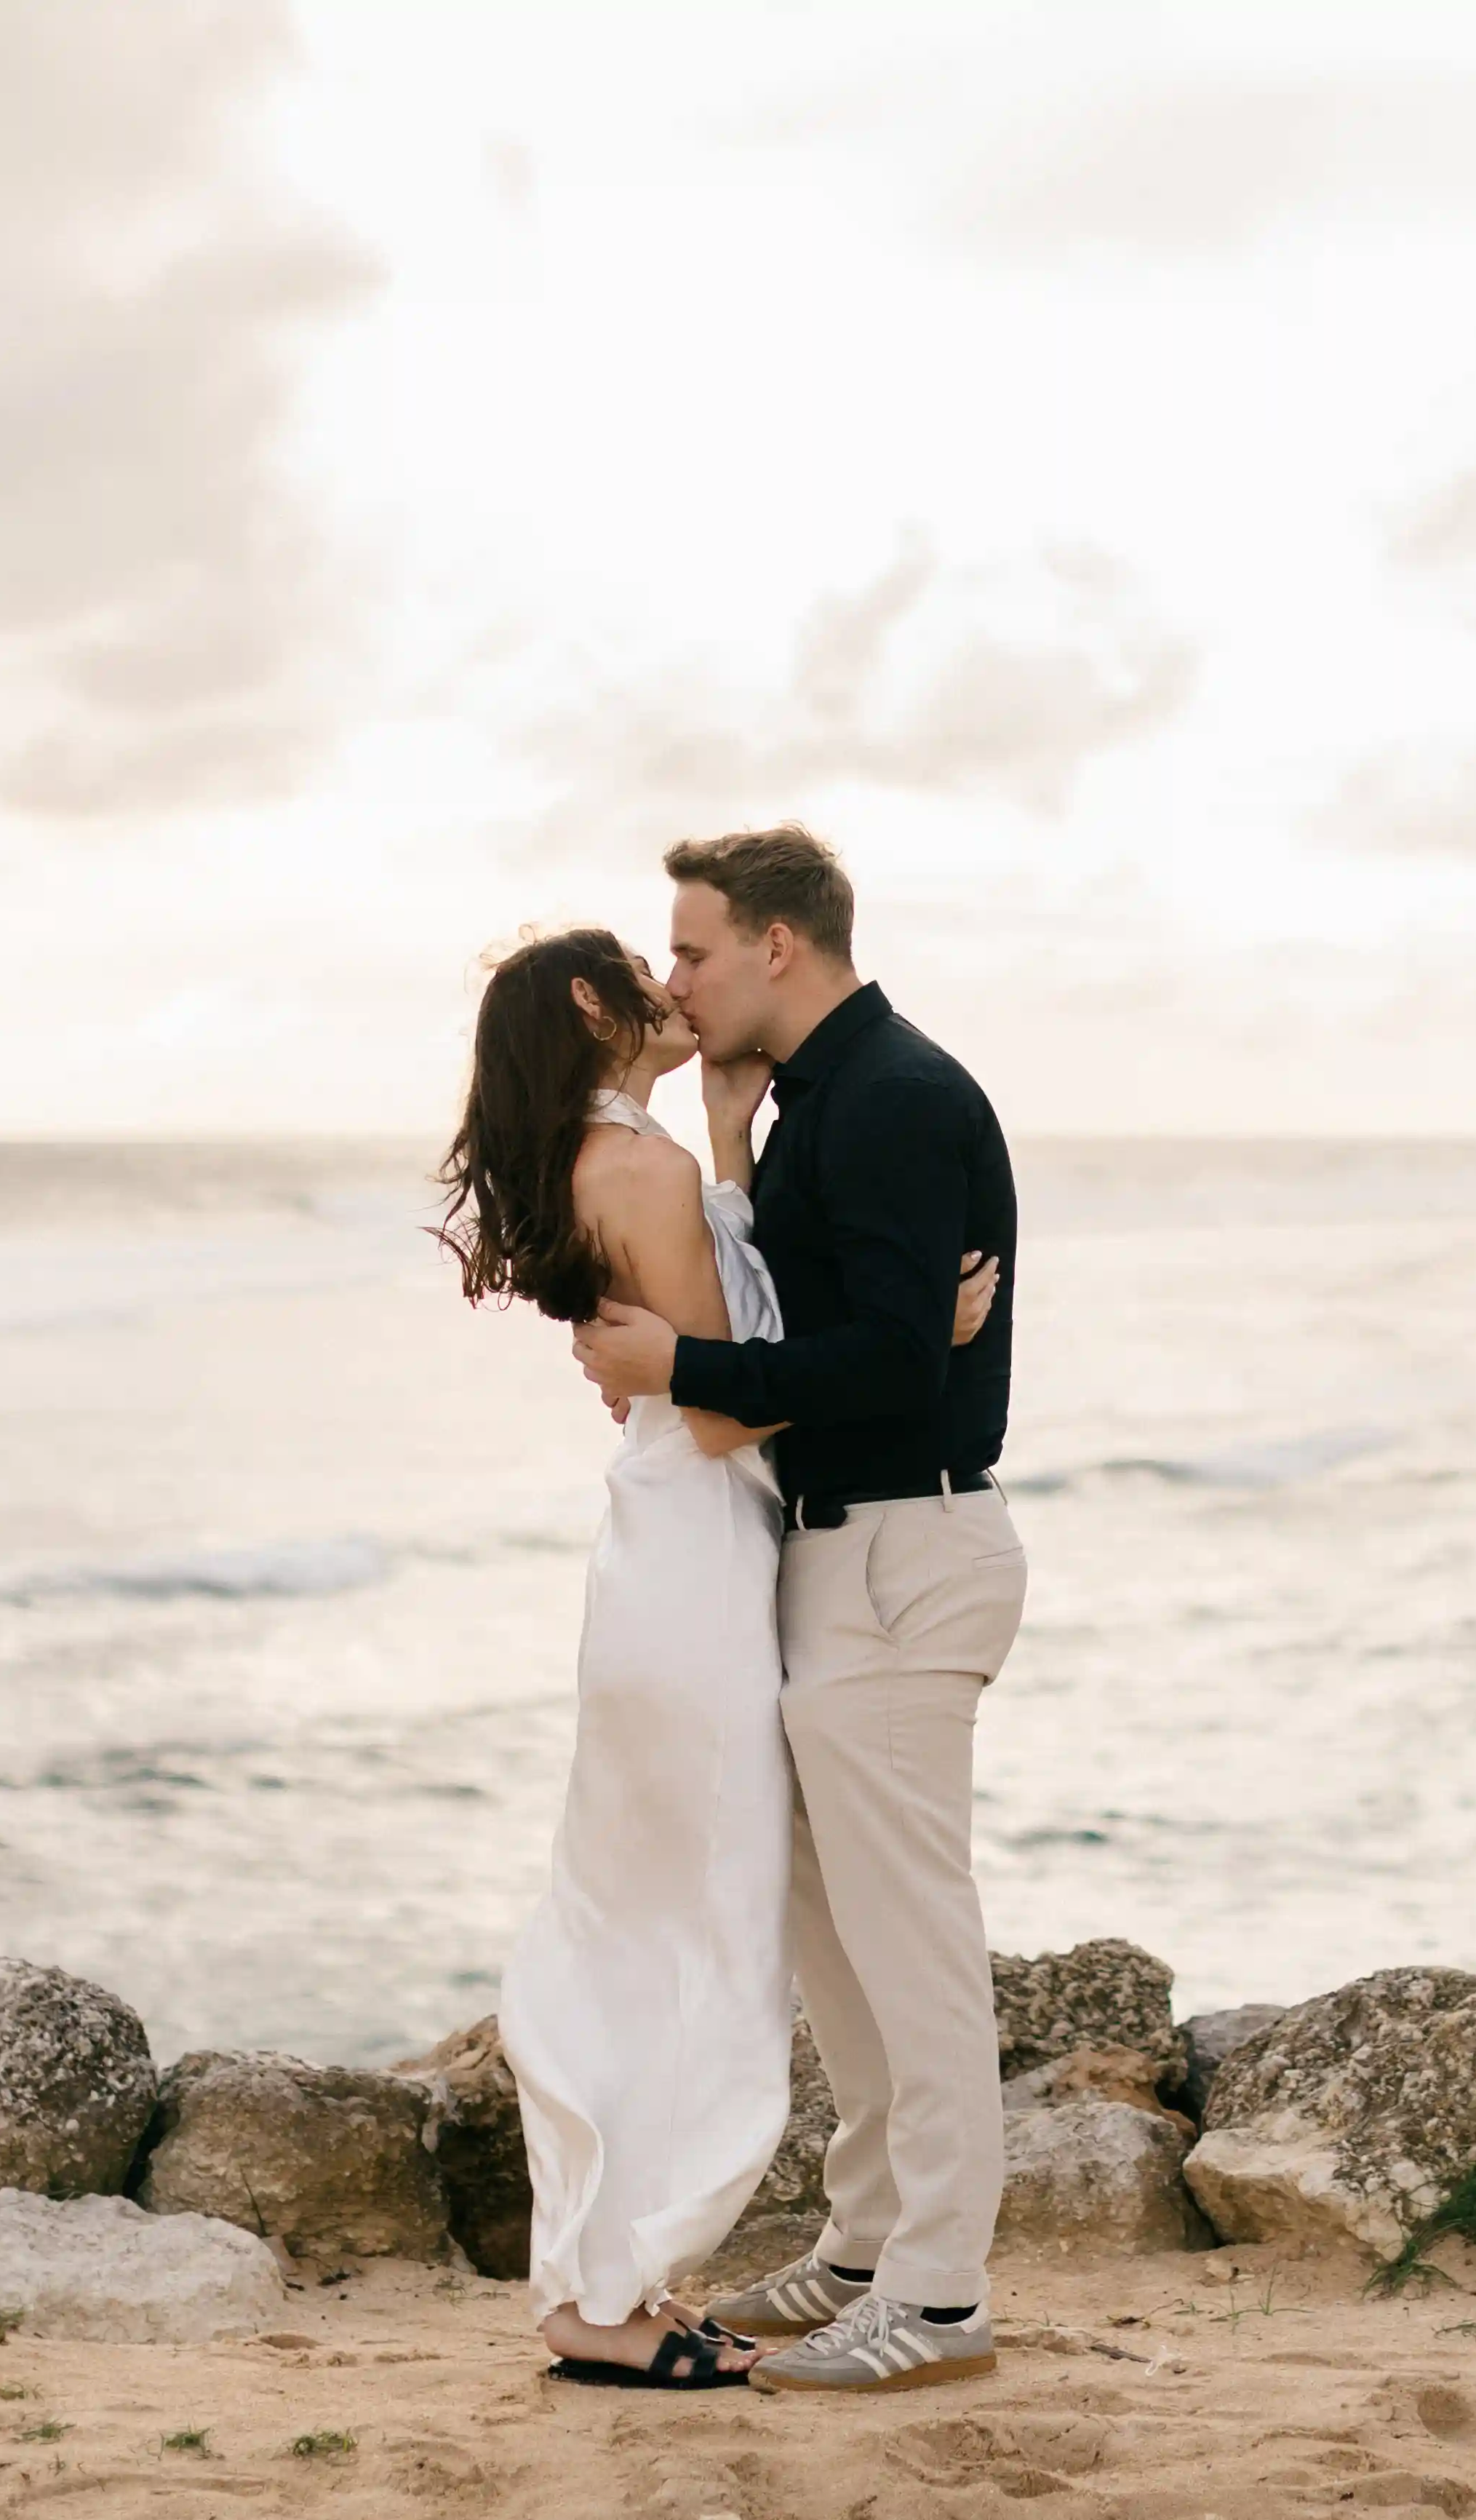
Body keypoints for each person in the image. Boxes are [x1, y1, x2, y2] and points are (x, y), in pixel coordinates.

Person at [434, 922, 995, 2390]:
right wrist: (911, 1341)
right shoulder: (639, 1165)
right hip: (697, 1563)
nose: (673, 983)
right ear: (589, 1000)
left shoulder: (626, 1154)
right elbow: (720, 1403)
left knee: (652, 1915)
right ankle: (607, 2294)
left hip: (678, 1558)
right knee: (693, 1930)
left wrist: (734, 1143)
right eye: (650, 961)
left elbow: (707, 1342)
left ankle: (606, 2282)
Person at [572, 824, 1027, 2397]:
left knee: (912, 1941)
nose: (675, 977)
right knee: (833, 1933)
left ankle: (939, 2297)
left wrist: (680, 1369)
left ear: (778, 944)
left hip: (904, 1551)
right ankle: (863, 2243)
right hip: (838, 1555)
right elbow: (825, 1310)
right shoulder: (816, 1098)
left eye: (692, 949)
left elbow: (888, 1360)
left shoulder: (891, 1095)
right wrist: (725, 1137)